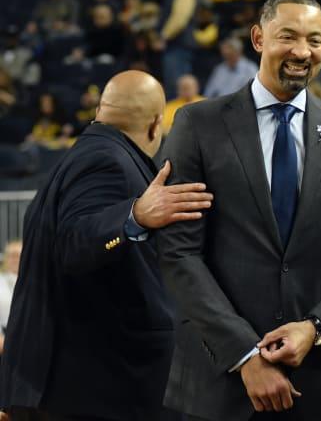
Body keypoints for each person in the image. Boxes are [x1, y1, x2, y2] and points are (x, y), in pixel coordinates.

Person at [157, 0, 321, 421]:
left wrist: (316, 327)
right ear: (258, 38)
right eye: (287, 36)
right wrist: (246, 355)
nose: (302, 52)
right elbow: (179, 254)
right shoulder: (198, 125)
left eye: (315, 40)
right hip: (220, 387)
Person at [0, 70, 214, 421]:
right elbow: (74, 242)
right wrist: (134, 215)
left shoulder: (81, 155)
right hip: (96, 388)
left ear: (101, 109)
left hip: (74, 385)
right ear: (155, 124)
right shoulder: (106, 161)